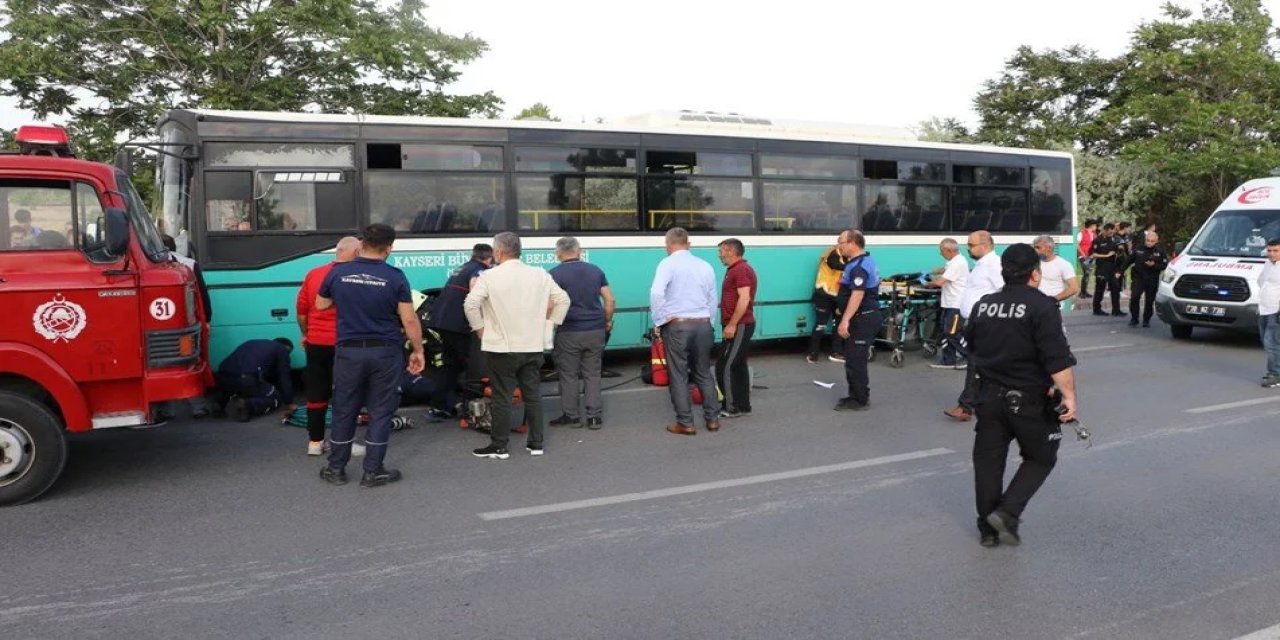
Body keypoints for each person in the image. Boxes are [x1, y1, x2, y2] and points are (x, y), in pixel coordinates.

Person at [965, 243, 1078, 547]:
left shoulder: (984, 304)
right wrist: (1069, 397)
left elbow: (972, 346)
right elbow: (1057, 359)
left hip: (988, 397)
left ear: (1004, 272)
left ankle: (988, 531)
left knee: (988, 463)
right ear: (1035, 274)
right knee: (1041, 457)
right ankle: (1006, 513)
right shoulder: (1043, 306)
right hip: (1028, 400)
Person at [315, 223, 424, 488]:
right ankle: (373, 471)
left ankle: (336, 469)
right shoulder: (395, 276)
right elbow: (409, 319)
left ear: (361, 244)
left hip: (349, 351)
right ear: (389, 248)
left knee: (344, 409)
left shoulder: (338, 273)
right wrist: (418, 350)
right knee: (381, 410)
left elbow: (320, 304)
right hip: (385, 351)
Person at [464, 232, 570, 459]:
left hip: (501, 347)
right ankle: (536, 444)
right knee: (533, 395)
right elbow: (563, 300)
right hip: (532, 346)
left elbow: (470, 304)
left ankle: (499, 445)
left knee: (502, 397)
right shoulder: (540, 274)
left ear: (499, 252)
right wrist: (550, 325)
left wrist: (481, 330)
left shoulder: (489, 276)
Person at [650, 227, 721, 435]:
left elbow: (656, 293)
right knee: (704, 373)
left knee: (678, 375)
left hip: (678, 326)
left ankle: (686, 423)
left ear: (668, 245)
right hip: (703, 324)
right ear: (688, 244)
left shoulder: (667, 263)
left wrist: (660, 320)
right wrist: (709, 323)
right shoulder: (705, 265)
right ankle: (712, 419)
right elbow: (712, 298)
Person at [296, 236, 360, 455]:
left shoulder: (313, 274)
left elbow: (302, 311)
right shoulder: (355, 276)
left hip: (316, 343)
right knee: (346, 393)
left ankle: (315, 443)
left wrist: (308, 335)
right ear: (356, 253)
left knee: (316, 393)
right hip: (345, 343)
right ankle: (345, 443)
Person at [548, 236, 615, 430]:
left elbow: (551, 305)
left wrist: (549, 326)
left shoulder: (554, 274)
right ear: (579, 251)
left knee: (568, 375)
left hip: (569, 331)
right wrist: (607, 321)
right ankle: (594, 417)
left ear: (559, 253)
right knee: (592, 374)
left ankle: (572, 416)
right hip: (595, 329)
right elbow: (609, 300)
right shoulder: (595, 271)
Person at [427, 244, 494, 422]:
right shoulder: (479, 271)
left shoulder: (463, 267)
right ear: (489, 258)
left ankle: (438, 407)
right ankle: (469, 410)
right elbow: (475, 293)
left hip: (442, 323)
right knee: (473, 367)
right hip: (459, 325)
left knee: (449, 365)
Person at [944, 231, 1003, 422]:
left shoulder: (994, 265)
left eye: (971, 245)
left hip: (986, 323)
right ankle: (980, 403)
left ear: (984, 246)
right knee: (980, 365)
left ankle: (966, 406)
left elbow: (1004, 290)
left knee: (976, 364)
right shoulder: (980, 265)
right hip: (975, 322)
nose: (967, 248)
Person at [834, 229, 882, 411]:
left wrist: (845, 320)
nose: (838, 246)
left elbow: (857, 295)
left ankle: (860, 399)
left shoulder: (859, 266)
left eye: (841, 242)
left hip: (862, 317)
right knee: (853, 359)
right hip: (862, 316)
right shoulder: (860, 262)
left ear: (853, 243)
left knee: (856, 360)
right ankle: (855, 395)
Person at [716, 238, 758, 418]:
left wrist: (732, 324)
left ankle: (731, 406)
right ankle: (743, 404)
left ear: (731, 251)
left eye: (721, 251)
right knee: (739, 364)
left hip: (739, 325)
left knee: (725, 365)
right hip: (738, 324)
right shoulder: (735, 270)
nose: (719, 255)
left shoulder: (740, 270)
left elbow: (744, 298)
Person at [216, 338, 295, 422]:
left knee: (233, 383)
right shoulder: (281, 349)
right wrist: (289, 402)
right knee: (275, 397)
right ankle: (248, 405)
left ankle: (219, 404)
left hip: (222, 374)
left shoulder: (252, 342)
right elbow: (284, 378)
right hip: (246, 379)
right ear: (286, 348)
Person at [925, 238, 969, 369]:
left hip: (956, 304)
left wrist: (925, 282)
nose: (940, 254)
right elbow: (944, 270)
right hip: (949, 303)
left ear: (949, 250)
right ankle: (948, 360)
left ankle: (971, 357)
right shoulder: (953, 262)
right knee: (945, 332)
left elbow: (939, 282)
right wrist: (931, 271)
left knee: (952, 332)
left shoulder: (958, 263)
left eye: (941, 251)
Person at [807, 236, 849, 364]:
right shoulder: (832, 254)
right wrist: (854, 263)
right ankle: (813, 354)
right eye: (845, 243)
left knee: (838, 324)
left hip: (837, 296)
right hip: (823, 295)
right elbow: (835, 265)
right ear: (840, 243)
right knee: (821, 324)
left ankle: (836, 352)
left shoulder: (846, 256)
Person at [1127, 231, 1168, 328]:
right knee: (1134, 297)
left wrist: (1154, 265)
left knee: (1149, 301)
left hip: (1152, 279)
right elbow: (1128, 260)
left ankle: (1146, 319)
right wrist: (1120, 271)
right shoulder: (1138, 249)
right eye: (1147, 240)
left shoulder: (1160, 251)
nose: (1149, 243)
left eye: (1152, 241)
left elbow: (1164, 265)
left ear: (1156, 241)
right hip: (1138, 278)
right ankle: (1134, 318)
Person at [1257, 240, 1280, 388]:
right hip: (1263, 309)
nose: (1271, 253)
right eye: (1269, 250)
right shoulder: (1267, 264)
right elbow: (1262, 283)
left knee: (1271, 343)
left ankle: (1275, 374)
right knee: (1266, 342)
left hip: (1275, 311)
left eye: (1276, 251)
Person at [1032, 235, 1080, 304]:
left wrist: (1054, 299)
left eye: (1038, 247)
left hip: (1052, 306)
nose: (1035, 250)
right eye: (1034, 247)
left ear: (1049, 248)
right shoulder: (1033, 262)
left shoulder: (1063, 264)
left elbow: (1074, 288)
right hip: (1034, 304)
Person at [1091, 223, 1125, 316]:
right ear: (1105, 230)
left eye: (1112, 232)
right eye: (1109, 232)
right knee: (1100, 289)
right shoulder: (1097, 240)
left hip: (1112, 267)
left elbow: (1118, 249)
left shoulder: (1113, 239)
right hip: (1102, 267)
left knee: (1115, 288)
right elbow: (1093, 254)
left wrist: (1119, 250)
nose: (1111, 234)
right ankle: (1097, 309)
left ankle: (1116, 310)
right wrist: (1106, 255)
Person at [1077, 219, 1097, 299]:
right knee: (1086, 272)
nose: (1096, 227)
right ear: (1091, 225)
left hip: (1091, 257)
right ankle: (1082, 292)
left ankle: (1084, 291)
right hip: (1083, 257)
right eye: (1095, 225)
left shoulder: (1093, 234)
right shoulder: (1081, 233)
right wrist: (1082, 254)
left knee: (1088, 274)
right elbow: (1077, 245)